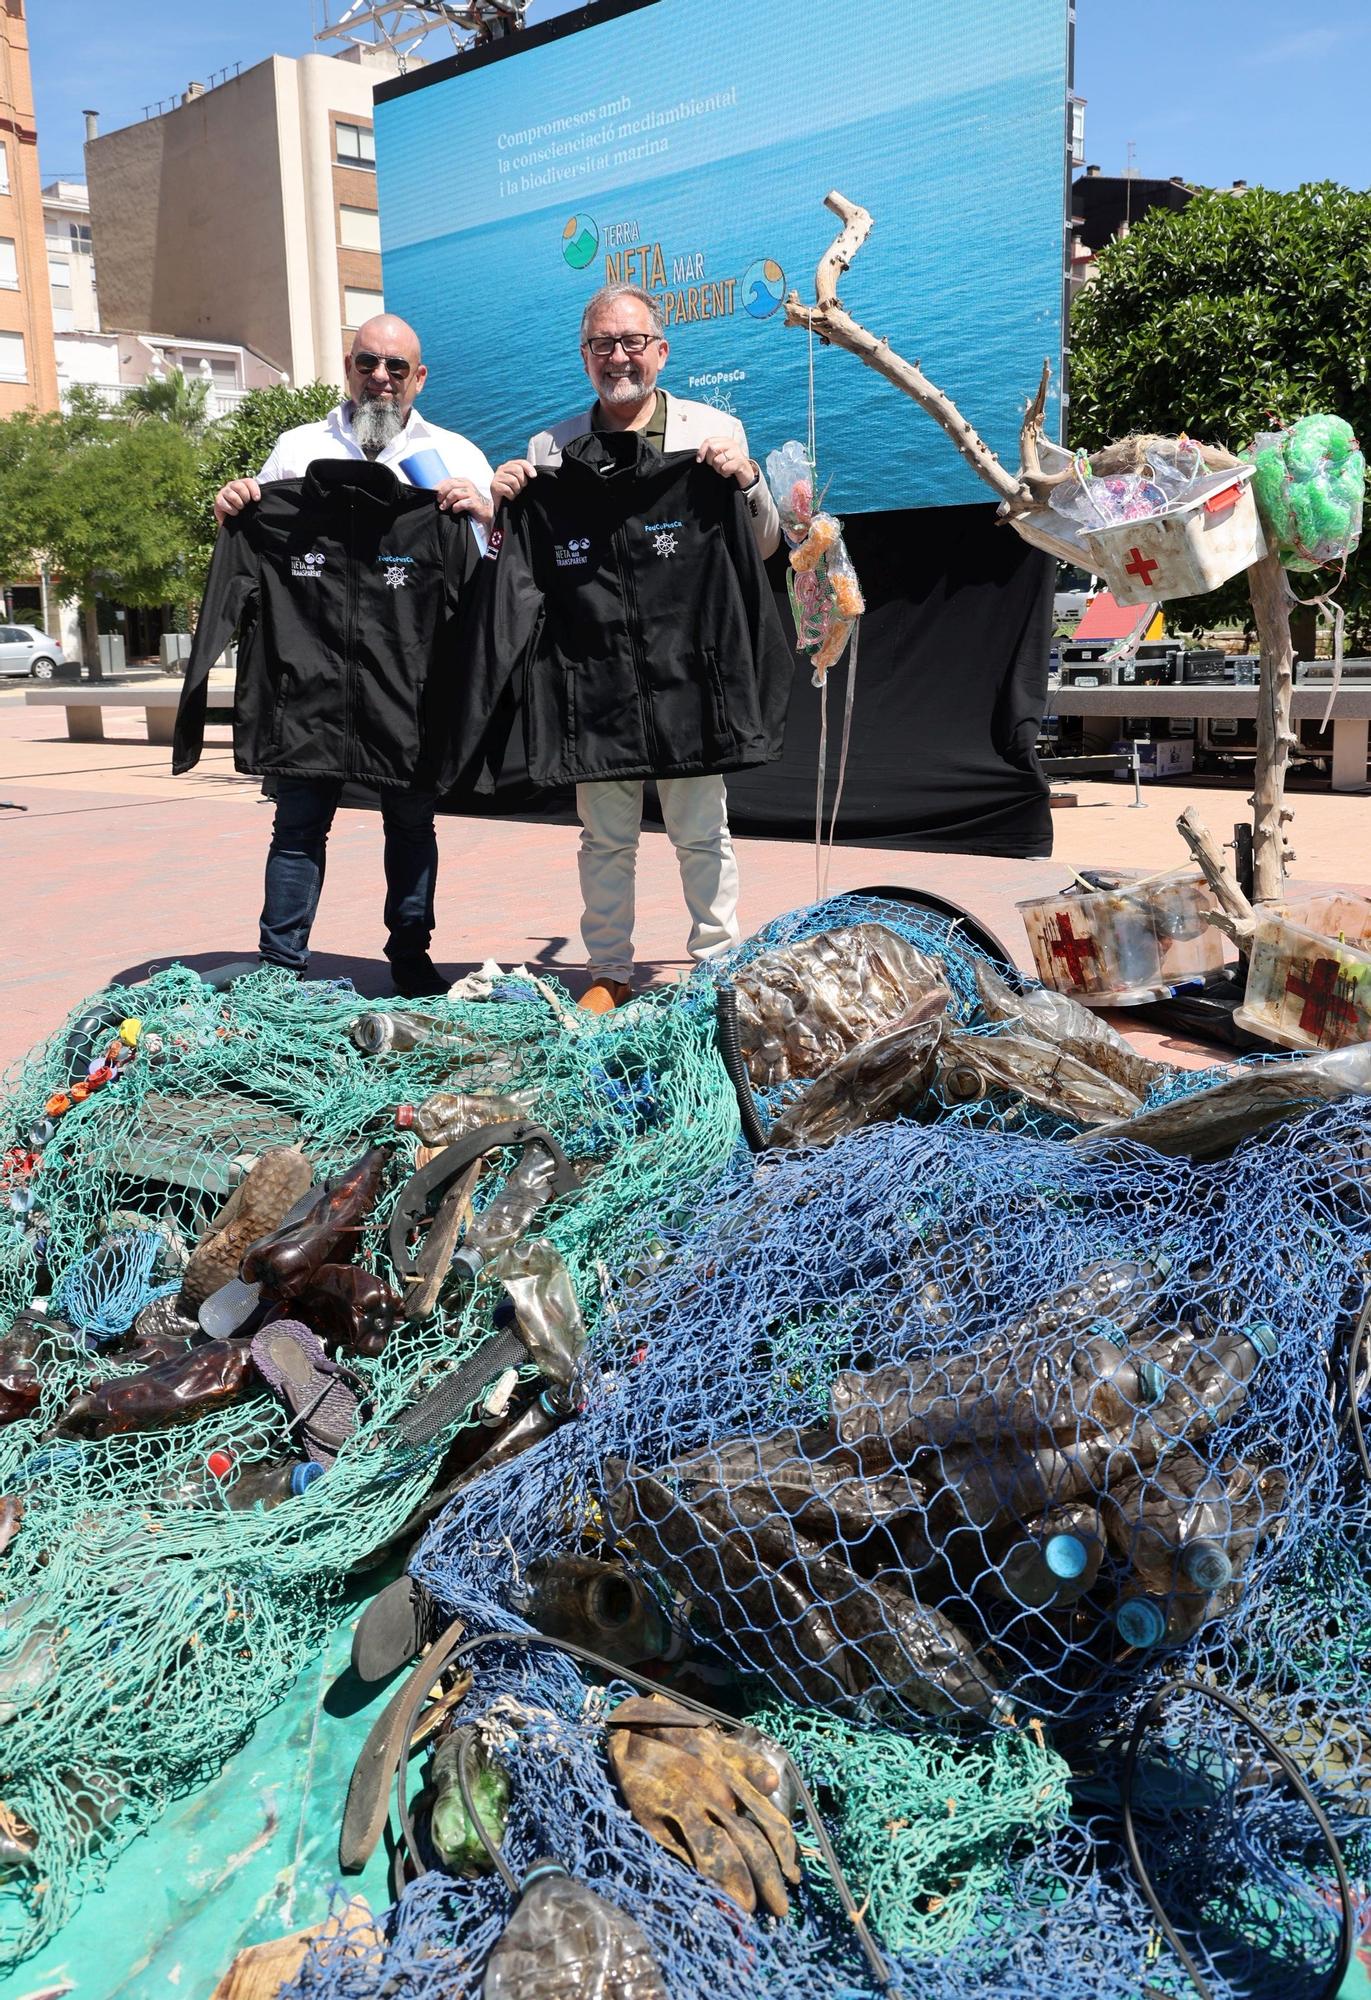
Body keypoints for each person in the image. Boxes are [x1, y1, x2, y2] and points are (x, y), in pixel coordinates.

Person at [490, 283, 781, 1013]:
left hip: (687, 666)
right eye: (601, 346)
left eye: (630, 343)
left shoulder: (713, 429)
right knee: (604, 838)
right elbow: (518, 561)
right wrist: (505, 502)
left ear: (660, 351)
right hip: (596, 673)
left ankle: (717, 965)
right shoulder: (546, 448)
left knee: (701, 831)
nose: (617, 357)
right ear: (584, 357)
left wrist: (744, 481)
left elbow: (765, 544)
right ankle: (608, 969)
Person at [208, 316, 494, 996]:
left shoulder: (456, 455)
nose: (381, 378)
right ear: (348, 366)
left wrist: (482, 515)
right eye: (369, 362)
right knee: (298, 823)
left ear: (418, 378)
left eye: (397, 367)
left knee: (411, 822)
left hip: (407, 679)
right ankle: (278, 965)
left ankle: (410, 953)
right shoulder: (297, 447)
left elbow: (491, 571)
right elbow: (255, 545)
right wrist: (235, 506)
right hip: (311, 676)